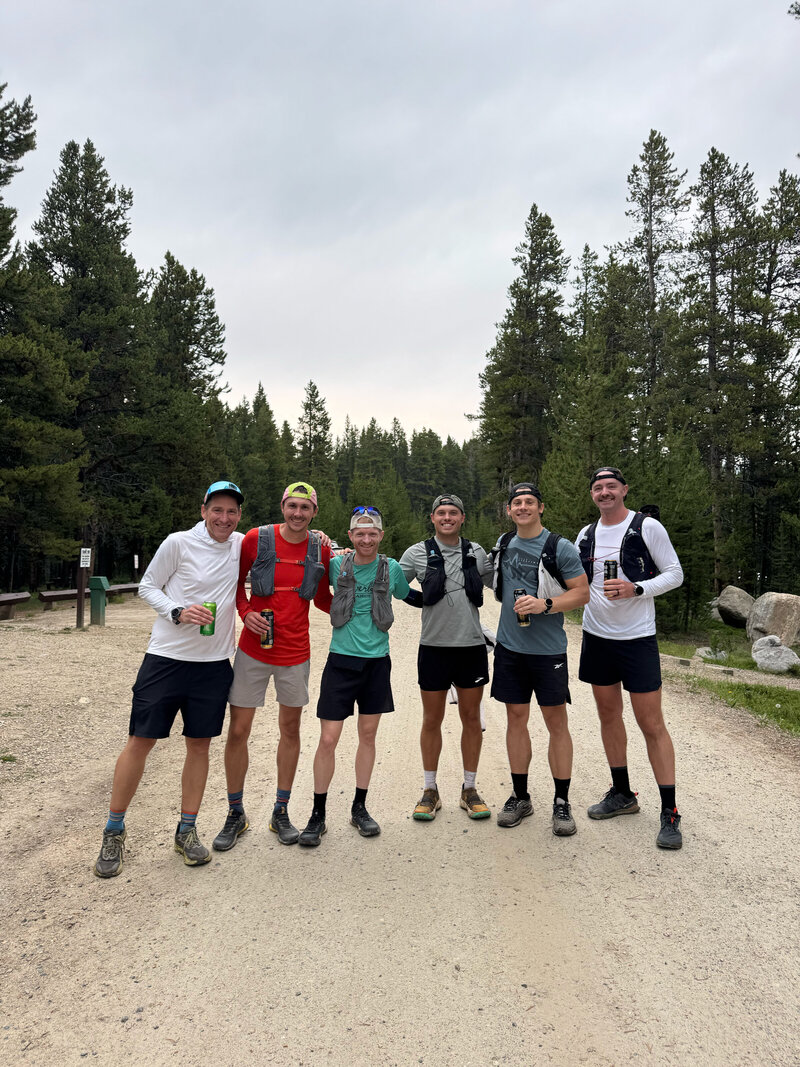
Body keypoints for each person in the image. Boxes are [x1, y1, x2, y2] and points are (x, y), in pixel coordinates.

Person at [94, 480, 245, 878]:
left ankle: (187, 829)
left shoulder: (242, 544)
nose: (223, 519)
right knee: (140, 741)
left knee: (199, 746)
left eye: (231, 512)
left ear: (239, 516)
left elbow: (283, 540)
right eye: (217, 510)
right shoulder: (178, 542)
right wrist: (178, 610)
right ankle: (113, 830)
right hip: (165, 658)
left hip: (213, 664)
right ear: (203, 510)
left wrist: (318, 535)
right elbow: (147, 585)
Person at [212, 481, 333, 851]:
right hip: (253, 648)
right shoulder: (255, 539)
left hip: (295, 651)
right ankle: (236, 812)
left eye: (305, 508)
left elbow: (325, 601)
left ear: (314, 513)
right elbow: (234, 585)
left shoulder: (320, 548)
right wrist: (246, 613)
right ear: (283, 506)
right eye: (292, 506)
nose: (298, 513)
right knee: (238, 731)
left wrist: (361, 598)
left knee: (290, 730)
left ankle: (280, 810)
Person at [576, 466, 684, 850]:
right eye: (598, 488)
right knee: (608, 715)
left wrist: (636, 587)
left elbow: (675, 574)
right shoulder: (586, 534)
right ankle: (623, 794)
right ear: (592, 495)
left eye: (611, 486)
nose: (604, 493)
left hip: (637, 639)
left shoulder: (646, 527)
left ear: (624, 490)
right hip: (597, 636)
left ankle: (669, 812)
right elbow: (573, 581)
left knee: (651, 723)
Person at [297, 507, 412, 846]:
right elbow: (306, 566)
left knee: (367, 736)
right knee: (328, 739)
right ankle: (318, 814)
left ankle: (359, 808)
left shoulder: (390, 569)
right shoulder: (336, 565)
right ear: (350, 536)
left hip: (377, 663)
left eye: (372, 533)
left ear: (380, 535)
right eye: (359, 533)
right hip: (341, 662)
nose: (366, 539)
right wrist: (318, 540)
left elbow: (411, 595)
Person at [490, 483, 589, 835]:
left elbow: (582, 593)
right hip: (509, 648)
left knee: (555, 722)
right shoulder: (504, 544)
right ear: (509, 510)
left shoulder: (558, 547)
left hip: (548, 651)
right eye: (516, 502)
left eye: (529, 502)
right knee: (515, 719)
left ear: (541, 507)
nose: (523, 507)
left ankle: (562, 803)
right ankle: (520, 796)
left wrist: (545, 604)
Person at [399, 493, 494, 822]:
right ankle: (430, 790)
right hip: (434, 647)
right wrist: (419, 600)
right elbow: (395, 583)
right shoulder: (416, 553)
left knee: (471, 720)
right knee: (431, 720)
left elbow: (499, 582)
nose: (447, 517)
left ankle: (469, 789)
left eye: (454, 512)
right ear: (433, 517)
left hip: (470, 647)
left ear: (462, 518)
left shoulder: (476, 552)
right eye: (442, 512)